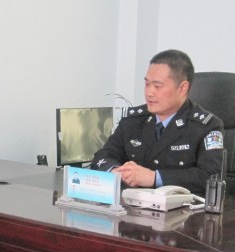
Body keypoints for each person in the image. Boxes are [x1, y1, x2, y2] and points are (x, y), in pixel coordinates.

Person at [91, 49, 224, 195]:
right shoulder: (133, 121)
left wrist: (154, 178)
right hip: (131, 204)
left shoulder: (205, 126)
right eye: (147, 84)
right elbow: (102, 157)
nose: (149, 92)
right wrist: (117, 172)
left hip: (182, 208)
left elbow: (210, 177)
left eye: (157, 86)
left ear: (182, 88)